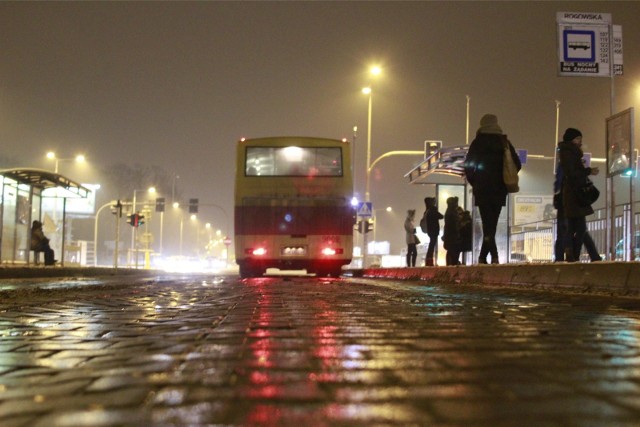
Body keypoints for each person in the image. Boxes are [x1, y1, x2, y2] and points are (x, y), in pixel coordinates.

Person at [464, 113, 521, 264]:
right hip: (499, 189)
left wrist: (475, 181)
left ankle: (487, 257)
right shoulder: (504, 142)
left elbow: (468, 166)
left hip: (482, 189)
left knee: (487, 223)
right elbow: (517, 164)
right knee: (492, 224)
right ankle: (488, 257)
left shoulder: (478, 142)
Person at [557, 128, 601, 262]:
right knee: (579, 228)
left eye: (580, 139)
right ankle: (573, 254)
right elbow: (573, 173)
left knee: (573, 227)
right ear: (571, 140)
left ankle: (571, 253)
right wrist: (588, 170)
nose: (580, 142)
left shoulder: (570, 153)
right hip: (574, 195)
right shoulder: (569, 153)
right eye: (577, 139)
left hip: (573, 194)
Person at [422, 197, 443, 266]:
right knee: (432, 245)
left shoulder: (427, 211)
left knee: (431, 245)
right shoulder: (432, 210)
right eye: (433, 202)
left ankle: (429, 260)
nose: (434, 203)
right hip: (433, 231)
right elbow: (440, 216)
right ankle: (429, 260)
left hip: (430, 231)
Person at [442, 197, 461, 266]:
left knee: (451, 251)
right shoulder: (451, 212)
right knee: (453, 251)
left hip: (450, 235)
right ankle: (453, 264)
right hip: (452, 236)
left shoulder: (449, 211)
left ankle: (451, 264)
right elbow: (453, 224)